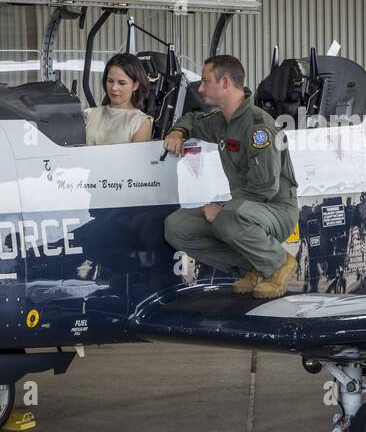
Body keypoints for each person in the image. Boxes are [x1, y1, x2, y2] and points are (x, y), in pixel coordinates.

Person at [162, 54, 298, 299]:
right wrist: (179, 131)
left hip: (276, 209)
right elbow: (193, 119)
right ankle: (254, 267)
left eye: (206, 82)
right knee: (176, 227)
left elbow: (265, 187)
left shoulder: (259, 128)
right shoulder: (223, 122)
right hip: (244, 209)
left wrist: (224, 208)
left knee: (227, 218)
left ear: (224, 82)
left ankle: (278, 263)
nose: (201, 89)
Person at [82, 53, 154, 145]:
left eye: (122, 83)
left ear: (135, 85)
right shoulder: (89, 115)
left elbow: (137, 159)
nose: (114, 88)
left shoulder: (140, 123)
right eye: (110, 81)